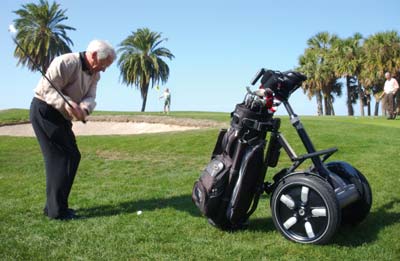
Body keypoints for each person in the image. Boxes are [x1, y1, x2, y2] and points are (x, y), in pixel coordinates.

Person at [30, 40, 116, 220]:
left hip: (61, 117)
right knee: (63, 157)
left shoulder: (95, 75)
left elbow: (91, 97)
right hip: (44, 111)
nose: (104, 70)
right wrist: (68, 104)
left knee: (70, 156)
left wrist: (83, 109)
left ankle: (55, 208)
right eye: (104, 64)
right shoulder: (65, 62)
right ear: (93, 56)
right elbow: (48, 90)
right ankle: (57, 211)